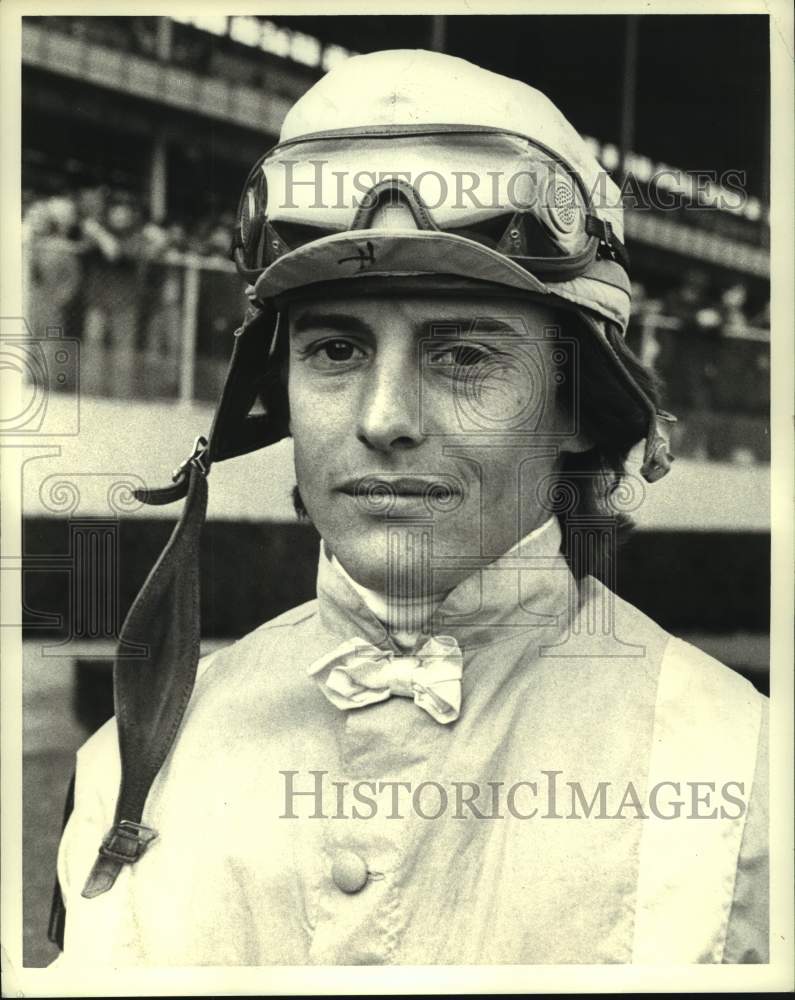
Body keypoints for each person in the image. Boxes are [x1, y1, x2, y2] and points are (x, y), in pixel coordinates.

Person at [49, 49, 767, 967]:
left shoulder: (751, 778)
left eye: (462, 356)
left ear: (581, 408)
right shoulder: (120, 771)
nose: (384, 419)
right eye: (336, 351)